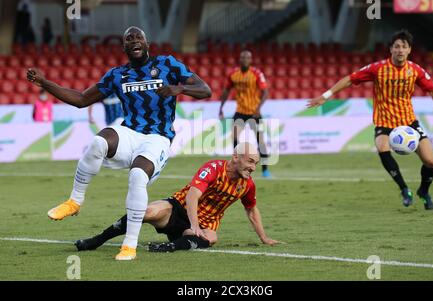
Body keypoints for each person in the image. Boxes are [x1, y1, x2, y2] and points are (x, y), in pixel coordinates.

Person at [26, 26, 211, 260]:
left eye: (138, 37)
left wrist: (180, 88)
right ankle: (75, 201)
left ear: (146, 43)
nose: (134, 41)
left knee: (137, 176)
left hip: (158, 138)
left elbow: (205, 90)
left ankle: (129, 246)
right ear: (124, 47)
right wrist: (45, 83)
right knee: (99, 141)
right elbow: (82, 99)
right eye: (129, 39)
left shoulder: (168, 64)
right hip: (130, 133)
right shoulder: (117, 75)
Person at [307, 29, 433, 210]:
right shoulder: (378, 68)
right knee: (382, 147)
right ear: (390, 49)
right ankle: (404, 189)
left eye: (403, 47)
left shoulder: (414, 71)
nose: (400, 50)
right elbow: (350, 79)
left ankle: (424, 190)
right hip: (384, 122)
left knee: (430, 161)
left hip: (408, 123)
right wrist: (325, 95)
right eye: (396, 46)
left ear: (409, 50)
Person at [74, 142, 279, 253]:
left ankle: (169, 247)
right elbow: (192, 195)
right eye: (250, 162)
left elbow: (251, 209)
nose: (253, 168)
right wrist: (194, 224)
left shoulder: (247, 185)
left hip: (204, 223)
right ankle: (96, 240)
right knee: (146, 212)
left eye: (255, 164)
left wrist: (263, 237)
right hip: (178, 208)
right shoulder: (214, 169)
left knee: (212, 238)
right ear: (236, 157)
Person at [218, 50, 272, 178]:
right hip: (240, 112)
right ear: (240, 59)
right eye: (243, 57)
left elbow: (265, 92)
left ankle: (265, 170)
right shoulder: (233, 74)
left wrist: (258, 108)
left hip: (254, 113)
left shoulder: (257, 73)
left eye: (248, 57)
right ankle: (236, 167)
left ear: (251, 60)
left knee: (261, 142)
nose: (245, 59)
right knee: (235, 138)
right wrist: (221, 108)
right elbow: (226, 90)